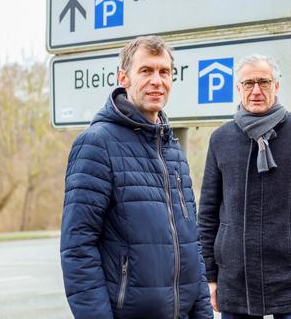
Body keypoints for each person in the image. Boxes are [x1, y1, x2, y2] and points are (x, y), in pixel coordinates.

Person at [60, 35, 213, 319]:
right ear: (124, 77)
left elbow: (191, 245)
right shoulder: (97, 143)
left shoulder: (173, 150)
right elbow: (78, 247)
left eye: (164, 72)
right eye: (146, 71)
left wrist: (203, 314)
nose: (157, 80)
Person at [198, 54, 291, 319]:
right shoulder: (221, 139)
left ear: (276, 86)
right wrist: (208, 275)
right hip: (234, 281)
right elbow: (207, 214)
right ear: (238, 88)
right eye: (248, 83)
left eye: (264, 82)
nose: (256, 90)